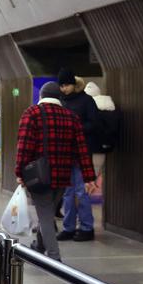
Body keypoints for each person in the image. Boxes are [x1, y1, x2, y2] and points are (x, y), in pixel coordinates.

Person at [16, 81, 97, 262]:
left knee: (45, 215)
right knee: (48, 212)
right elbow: (82, 150)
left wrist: (19, 172)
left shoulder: (32, 114)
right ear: (60, 97)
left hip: (39, 176)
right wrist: (89, 177)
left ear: (41, 96)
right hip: (62, 176)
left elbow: (24, 146)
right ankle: (39, 246)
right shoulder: (71, 117)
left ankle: (54, 258)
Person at [56, 68, 99, 242]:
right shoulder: (60, 101)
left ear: (73, 84)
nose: (63, 89)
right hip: (65, 154)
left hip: (81, 153)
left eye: (66, 85)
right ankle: (69, 227)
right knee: (67, 193)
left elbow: (95, 124)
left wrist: (76, 130)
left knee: (82, 192)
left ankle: (87, 228)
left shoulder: (86, 101)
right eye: (61, 86)